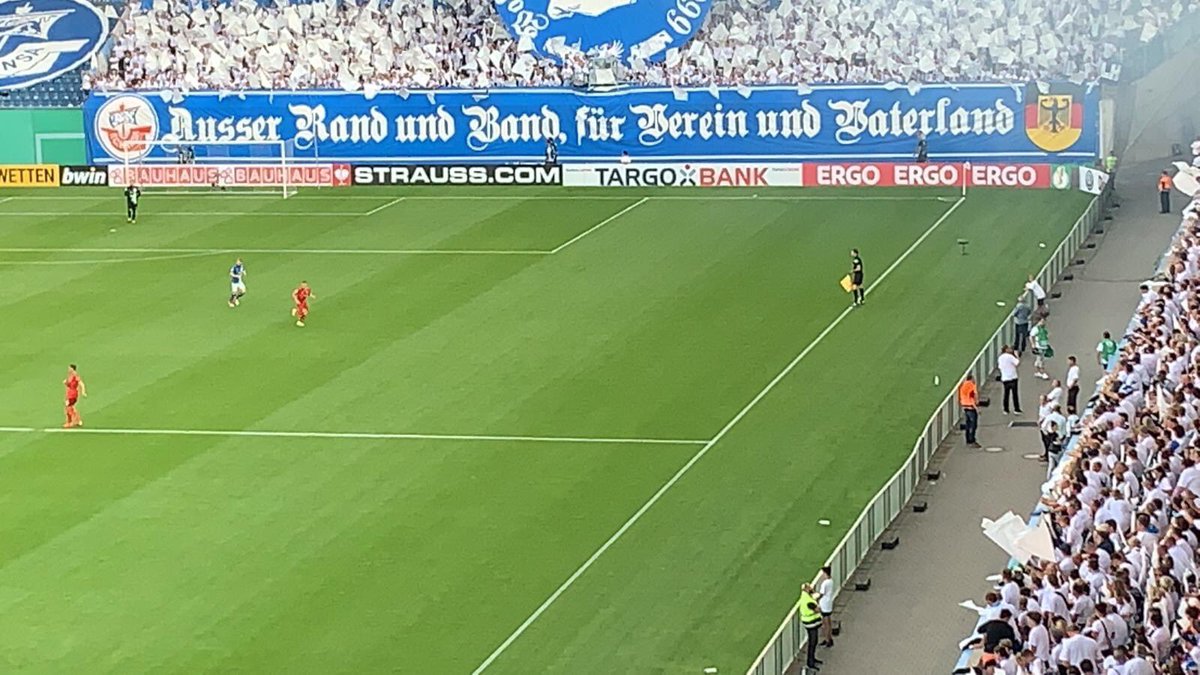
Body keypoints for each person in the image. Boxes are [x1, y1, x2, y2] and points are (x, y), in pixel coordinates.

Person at [798, 583, 823, 671]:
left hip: (810, 623)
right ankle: (810, 662)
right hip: (810, 623)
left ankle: (812, 659)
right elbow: (817, 610)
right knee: (813, 642)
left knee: (813, 641)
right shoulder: (808, 601)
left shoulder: (806, 597)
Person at [999, 345, 1022, 414]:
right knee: (1015, 394)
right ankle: (1016, 409)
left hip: (1005, 378)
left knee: (1006, 394)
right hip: (1012, 377)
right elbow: (1017, 363)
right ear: (1006, 349)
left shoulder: (1000, 358)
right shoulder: (1010, 356)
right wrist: (1017, 355)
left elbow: (1000, 367)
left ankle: (1006, 409)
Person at [959, 373, 981, 448]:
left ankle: (968, 440)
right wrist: (977, 407)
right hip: (971, 407)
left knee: (968, 424)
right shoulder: (972, 385)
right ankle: (972, 440)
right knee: (973, 425)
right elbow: (973, 397)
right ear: (971, 379)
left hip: (965, 406)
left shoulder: (963, 385)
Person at [816, 565, 835, 647]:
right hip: (828, 603)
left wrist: (816, 599)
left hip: (824, 605)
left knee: (825, 623)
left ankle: (827, 640)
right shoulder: (831, 581)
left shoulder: (825, 583)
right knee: (828, 622)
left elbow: (821, 594)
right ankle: (829, 638)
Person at [63, 364, 87, 428]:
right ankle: (77, 421)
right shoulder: (70, 376)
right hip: (69, 394)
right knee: (70, 407)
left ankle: (71, 422)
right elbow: (70, 385)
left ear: (72, 369)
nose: (68, 369)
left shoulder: (75, 375)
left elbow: (81, 383)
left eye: (69, 368)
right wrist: (66, 383)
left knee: (68, 407)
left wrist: (83, 391)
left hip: (73, 394)